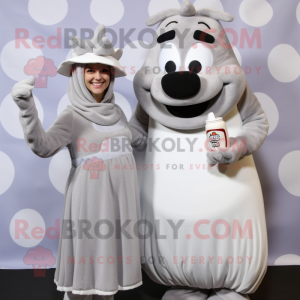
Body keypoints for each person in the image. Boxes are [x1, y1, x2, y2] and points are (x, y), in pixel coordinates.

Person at [11, 24, 145, 300]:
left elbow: (136, 139)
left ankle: (107, 292)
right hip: (91, 199)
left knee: (111, 258)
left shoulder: (118, 111)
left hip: (122, 199)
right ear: (78, 74)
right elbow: (43, 146)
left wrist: (153, 105)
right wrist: (27, 109)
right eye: (90, 70)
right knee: (90, 250)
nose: (98, 76)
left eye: (104, 70)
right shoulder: (72, 116)